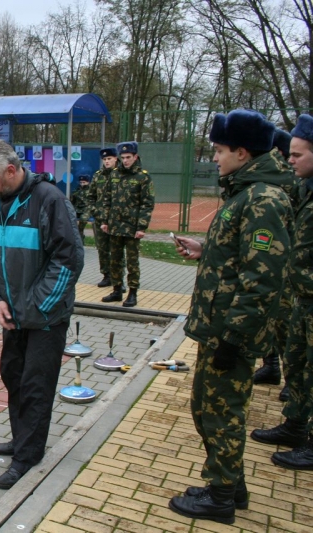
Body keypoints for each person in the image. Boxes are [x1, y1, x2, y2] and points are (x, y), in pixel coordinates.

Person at [169, 110, 293, 524]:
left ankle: (221, 496)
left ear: (242, 152)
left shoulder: (263, 199)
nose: (215, 158)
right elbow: (242, 256)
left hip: (230, 332)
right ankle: (230, 483)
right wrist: (206, 249)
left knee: (221, 412)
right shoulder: (245, 193)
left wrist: (234, 338)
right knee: (206, 408)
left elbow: (263, 279)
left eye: (220, 150)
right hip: (218, 327)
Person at [0, 139, 84, 490]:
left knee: (36, 385)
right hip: (11, 314)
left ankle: (27, 455)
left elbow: (68, 260)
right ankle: (22, 437)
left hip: (45, 316)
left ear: (11, 170)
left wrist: (36, 306)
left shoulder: (50, 200)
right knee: (14, 376)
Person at [249, 114, 313, 470]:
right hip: (301, 297)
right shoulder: (305, 189)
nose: (290, 160)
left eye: (298, 155)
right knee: (300, 364)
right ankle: (296, 425)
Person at [253, 129, 296, 394]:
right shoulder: (272, 178)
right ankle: (270, 366)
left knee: (285, 323)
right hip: (270, 261)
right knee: (266, 318)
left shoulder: (291, 181)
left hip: (288, 265)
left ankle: (293, 381)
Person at [100, 142, 154, 307]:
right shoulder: (114, 175)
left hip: (132, 228)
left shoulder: (143, 177)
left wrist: (142, 227)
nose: (125, 160)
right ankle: (117, 290)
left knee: (132, 263)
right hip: (115, 226)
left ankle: (132, 293)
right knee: (115, 260)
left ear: (135, 157)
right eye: (123, 157)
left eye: (128, 157)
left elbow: (147, 204)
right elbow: (107, 199)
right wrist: (104, 221)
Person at [89, 148, 117, 287]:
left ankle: (118, 278)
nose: (107, 161)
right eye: (105, 159)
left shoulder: (121, 175)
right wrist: (96, 212)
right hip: (100, 219)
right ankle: (106, 275)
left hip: (117, 220)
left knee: (116, 250)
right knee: (102, 248)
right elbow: (91, 196)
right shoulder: (98, 175)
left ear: (116, 159)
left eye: (109, 159)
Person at [71, 175, 91, 245]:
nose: (82, 184)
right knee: (69, 217)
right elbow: (72, 201)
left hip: (87, 209)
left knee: (83, 219)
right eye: (81, 182)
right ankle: (75, 235)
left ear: (88, 182)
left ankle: (80, 234)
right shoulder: (77, 190)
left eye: (84, 182)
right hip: (77, 209)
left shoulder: (91, 190)